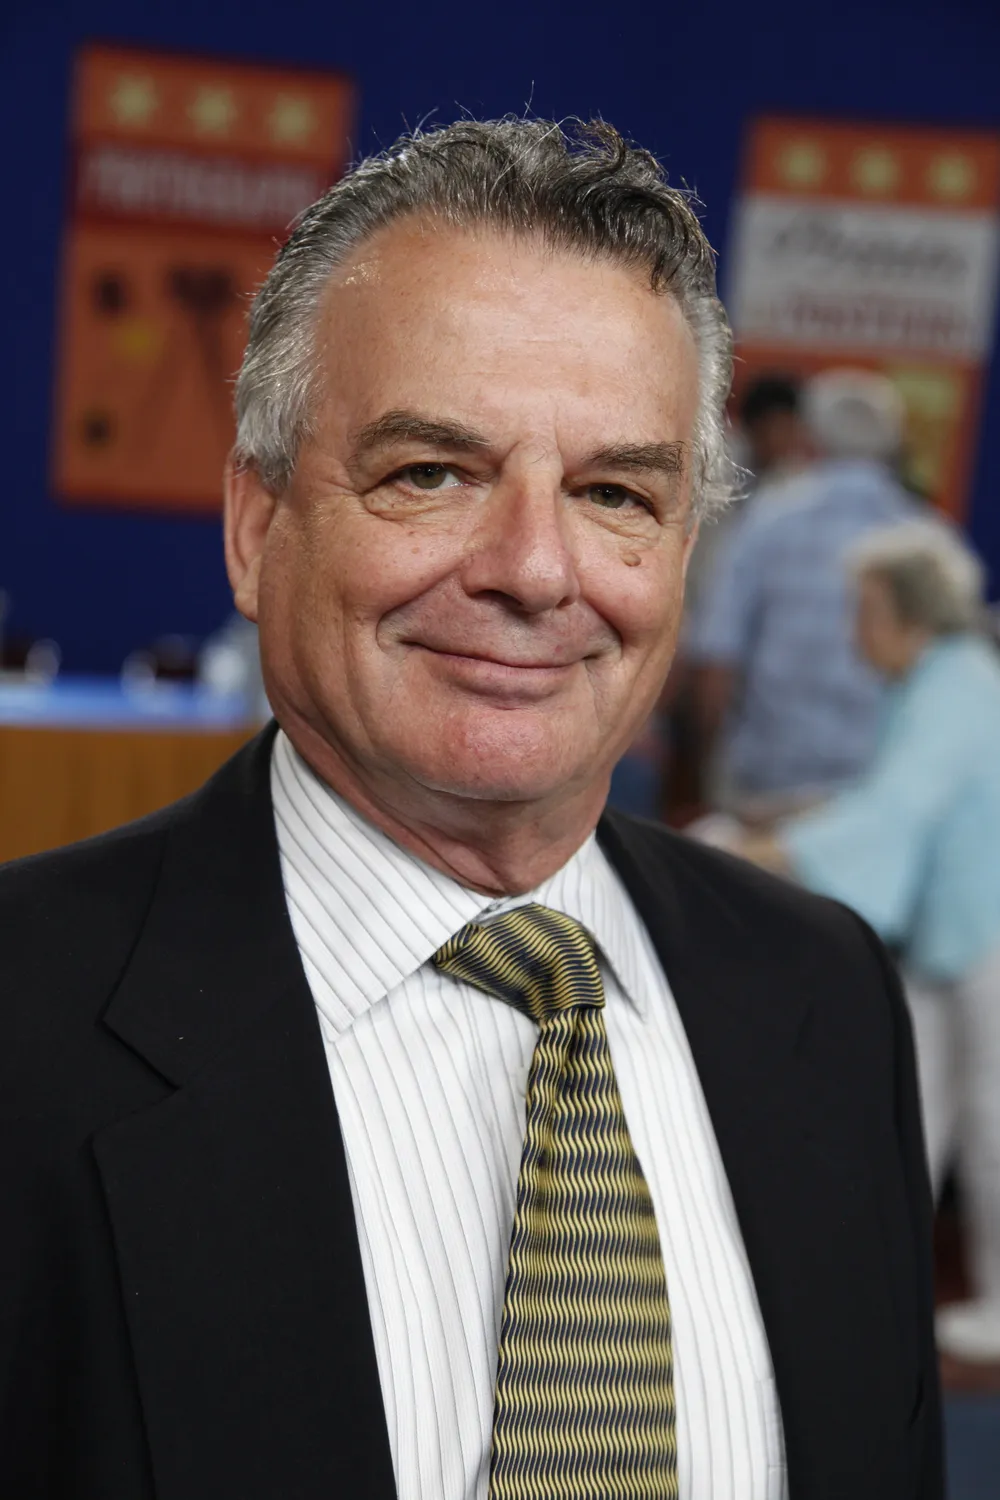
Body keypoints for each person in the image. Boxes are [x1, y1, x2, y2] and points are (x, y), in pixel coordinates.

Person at [0, 119, 941, 1500]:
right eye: (430, 472)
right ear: (256, 527)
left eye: (615, 492)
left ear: (681, 554)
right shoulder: (23, 1020)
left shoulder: (827, 994)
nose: (535, 570)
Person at [739, 522, 1000, 1365]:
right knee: (908, 1109)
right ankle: (870, 1284)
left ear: (910, 617)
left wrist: (762, 852)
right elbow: (883, 795)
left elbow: (894, 811)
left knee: (991, 1124)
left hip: (984, 935)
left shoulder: (958, 688)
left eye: (866, 612)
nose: (854, 632)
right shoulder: (934, 684)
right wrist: (788, 820)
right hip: (949, 935)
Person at [687, 367, 916, 817]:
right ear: (892, 443)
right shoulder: (925, 538)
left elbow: (716, 661)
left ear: (809, 437)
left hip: (763, 791)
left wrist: (701, 774)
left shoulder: (767, 521)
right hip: (874, 802)